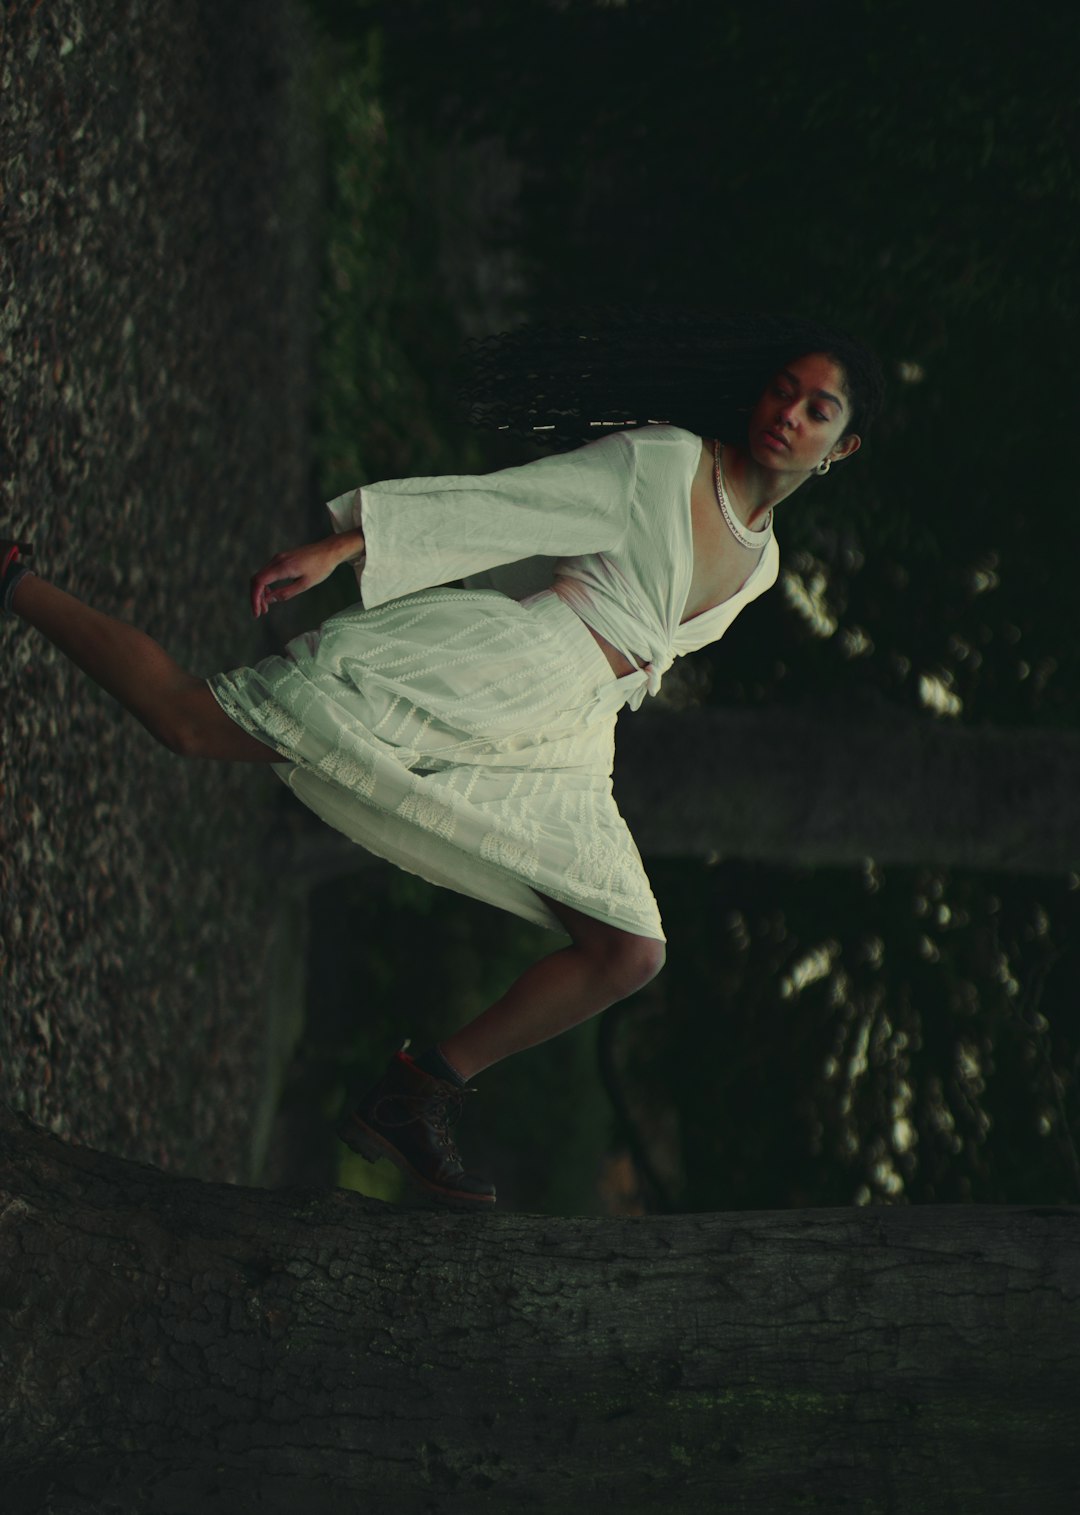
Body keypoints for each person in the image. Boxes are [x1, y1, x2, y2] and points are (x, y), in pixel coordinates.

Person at [1, 310, 885, 1212]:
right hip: (496, 670)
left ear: (839, 448)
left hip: (573, 740)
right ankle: (14, 580)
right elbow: (506, 509)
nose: (789, 413)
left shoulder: (766, 565)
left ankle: (415, 1093)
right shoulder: (663, 462)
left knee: (631, 949)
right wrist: (352, 544)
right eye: (784, 388)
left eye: (817, 409)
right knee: (190, 724)